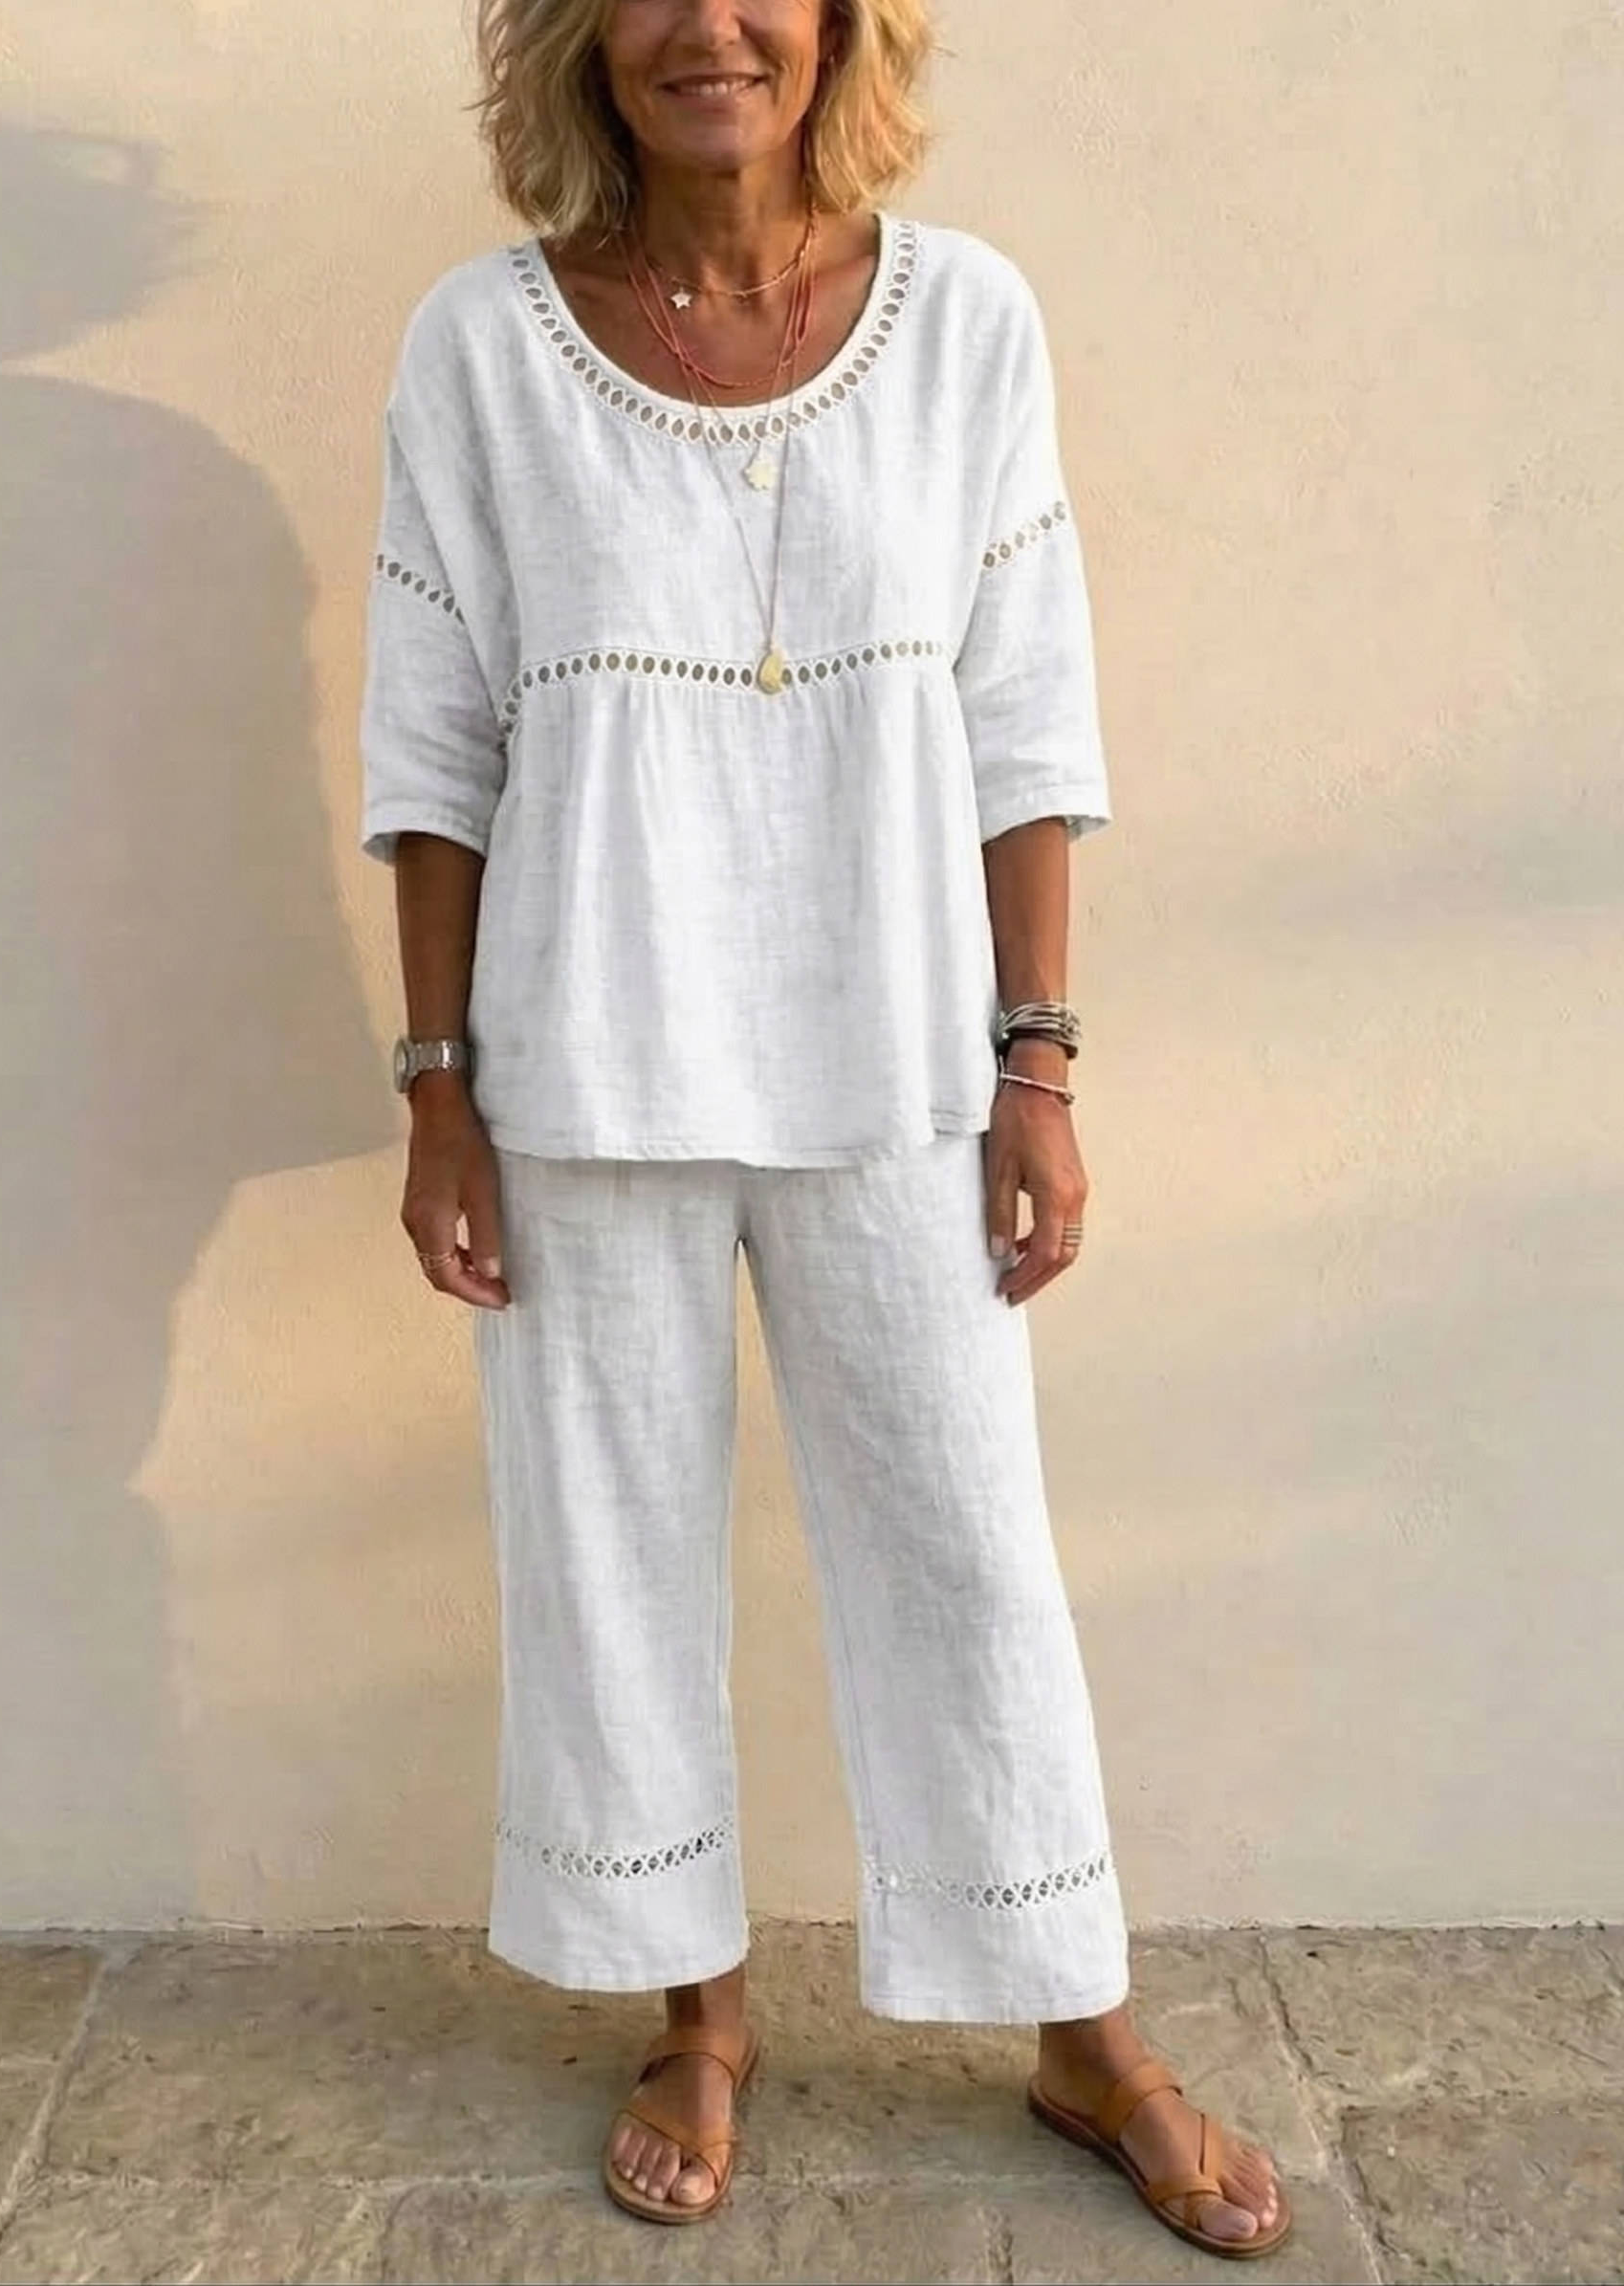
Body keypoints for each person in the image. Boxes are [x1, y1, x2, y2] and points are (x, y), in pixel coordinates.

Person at [361, 0, 1288, 2257]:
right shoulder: (480, 349)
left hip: (898, 1053)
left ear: (839, 22)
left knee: (963, 1545)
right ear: (581, 38)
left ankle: (1078, 2026)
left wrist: (1037, 1064)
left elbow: (1023, 713)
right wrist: (439, 1090)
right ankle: (696, 2013)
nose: (710, 25)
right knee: (607, 1548)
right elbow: (435, 741)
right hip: (580, 1059)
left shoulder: (962, 323)